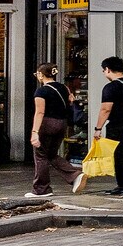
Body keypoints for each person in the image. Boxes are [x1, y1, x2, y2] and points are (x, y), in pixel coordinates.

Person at [77, 56, 123, 196]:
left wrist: (98, 128)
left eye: (103, 70)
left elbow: (105, 109)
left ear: (107, 69)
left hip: (118, 124)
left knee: (116, 152)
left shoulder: (111, 87)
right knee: (121, 149)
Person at [27, 63, 77, 197]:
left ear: (41, 75)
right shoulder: (64, 88)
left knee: (40, 155)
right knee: (51, 154)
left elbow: (39, 112)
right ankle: (75, 175)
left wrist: (35, 132)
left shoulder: (41, 91)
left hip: (47, 124)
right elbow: (70, 101)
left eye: (37, 74)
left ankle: (41, 189)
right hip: (62, 124)